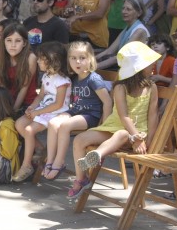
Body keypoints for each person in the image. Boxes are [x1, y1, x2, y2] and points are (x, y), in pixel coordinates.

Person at [67, 41, 160, 200]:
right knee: (80, 139)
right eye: (149, 63)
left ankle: (97, 154)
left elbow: (153, 116)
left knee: (122, 134)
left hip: (135, 134)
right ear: (138, 67)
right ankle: (81, 179)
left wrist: (147, 140)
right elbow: (123, 116)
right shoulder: (120, 88)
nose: (153, 65)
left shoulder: (152, 87)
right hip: (114, 126)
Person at [43, 42, 113, 179]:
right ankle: (50, 160)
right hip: (75, 112)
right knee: (52, 123)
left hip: (90, 116)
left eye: (82, 58)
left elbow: (107, 102)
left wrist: (104, 125)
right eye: (73, 58)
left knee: (65, 126)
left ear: (90, 59)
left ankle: (59, 161)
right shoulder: (75, 78)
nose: (77, 62)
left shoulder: (94, 79)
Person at [15, 42, 71, 182]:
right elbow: (41, 96)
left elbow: (58, 104)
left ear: (52, 61)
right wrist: (32, 107)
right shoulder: (46, 76)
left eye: (41, 58)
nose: (38, 61)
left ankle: (26, 165)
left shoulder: (62, 81)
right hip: (43, 110)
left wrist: (37, 113)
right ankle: (40, 149)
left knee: (28, 130)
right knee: (19, 124)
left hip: (55, 113)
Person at [96, 0, 150, 70]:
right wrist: (90, 61)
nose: (124, 12)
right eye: (123, 8)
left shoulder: (139, 31)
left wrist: (93, 67)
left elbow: (120, 56)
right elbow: (109, 51)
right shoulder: (127, 28)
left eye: (128, 9)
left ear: (139, 13)